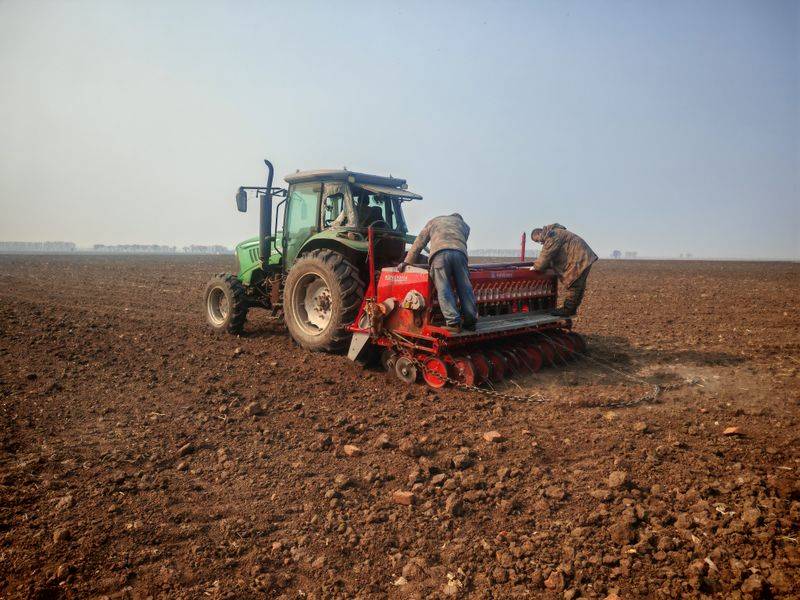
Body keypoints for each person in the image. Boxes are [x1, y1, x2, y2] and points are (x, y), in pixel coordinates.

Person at [398, 213, 477, 332]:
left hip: (439, 254)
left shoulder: (434, 222)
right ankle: (470, 321)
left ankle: (453, 322)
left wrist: (407, 262)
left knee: (443, 287)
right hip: (460, 254)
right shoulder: (464, 225)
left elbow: (419, 242)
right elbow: (460, 240)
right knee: (465, 286)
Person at [530, 223, 597, 317]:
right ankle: (571, 309)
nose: (540, 243)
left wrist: (536, 266)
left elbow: (546, 254)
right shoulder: (558, 232)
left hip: (578, 258)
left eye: (538, 240)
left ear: (539, 233)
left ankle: (567, 310)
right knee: (579, 286)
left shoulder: (552, 235)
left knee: (574, 285)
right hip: (584, 256)